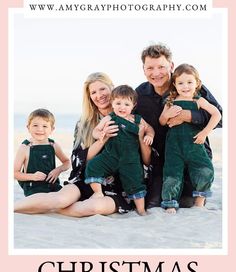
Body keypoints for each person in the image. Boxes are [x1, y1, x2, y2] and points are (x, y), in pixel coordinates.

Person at [14, 73, 151, 216]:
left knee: (94, 207)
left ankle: (54, 208)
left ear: (112, 88)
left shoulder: (133, 119)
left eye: (103, 89)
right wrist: (102, 139)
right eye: (93, 92)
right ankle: (10, 207)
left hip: (120, 185)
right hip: (88, 178)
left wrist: (142, 137)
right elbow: (79, 160)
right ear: (90, 97)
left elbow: (147, 161)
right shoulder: (84, 124)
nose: (99, 95)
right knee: (60, 199)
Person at [135, 43, 222, 209]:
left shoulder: (190, 85)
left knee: (187, 202)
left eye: (161, 67)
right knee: (154, 203)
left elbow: (221, 118)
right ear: (144, 69)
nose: (156, 73)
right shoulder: (139, 94)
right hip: (165, 158)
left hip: (194, 151)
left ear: (171, 66)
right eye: (150, 68)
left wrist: (188, 116)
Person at [159, 64, 221, 213]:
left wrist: (205, 132)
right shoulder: (170, 101)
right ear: (174, 84)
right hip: (174, 146)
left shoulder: (198, 101)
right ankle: (170, 203)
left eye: (189, 82)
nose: (185, 86)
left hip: (195, 143)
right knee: (172, 173)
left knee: (204, 169)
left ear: (197, 83)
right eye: (180, 83)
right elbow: (161, 121)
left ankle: (199, 202)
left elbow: (217, 114)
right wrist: (167, 115)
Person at [84, 85, 154, 215]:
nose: (122, 107)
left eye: (127, 104)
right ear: (112, 103)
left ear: (134, 105)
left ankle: (141, 210)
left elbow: (149, 129)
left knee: (136, 182)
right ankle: (98, 193)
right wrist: (100, 134)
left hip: (130, 160)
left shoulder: (137, 120)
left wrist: (149, 135)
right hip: (111, 156)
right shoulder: (110, 118)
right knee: (93, 166)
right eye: (118, 103)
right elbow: (96, 130)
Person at [14, 108, 70, 196]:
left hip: (53, 187)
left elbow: (67, 162)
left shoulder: (53, 145)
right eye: (35, 125)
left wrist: (58, 170)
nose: (40, 129)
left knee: (69, 196)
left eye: (45, 126)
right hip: (33, 189)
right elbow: (15, 173)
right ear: (28, 128)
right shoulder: (25, 147)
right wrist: (33, 176)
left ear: (52, 129)